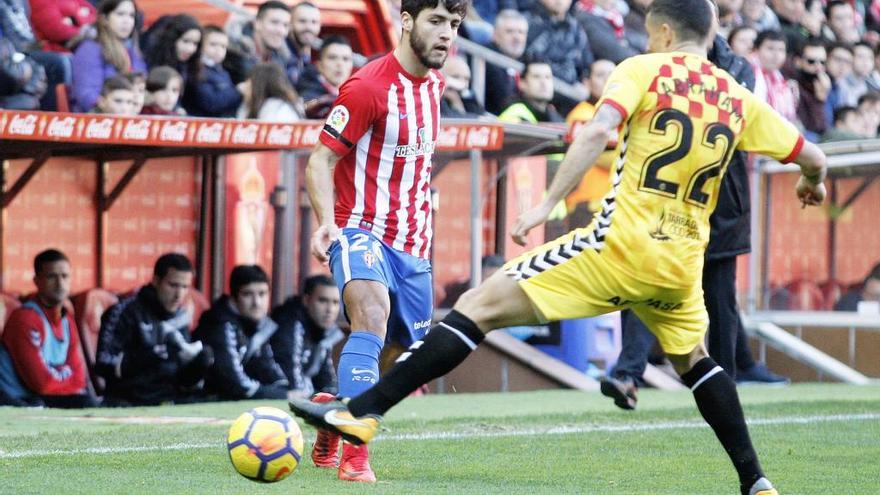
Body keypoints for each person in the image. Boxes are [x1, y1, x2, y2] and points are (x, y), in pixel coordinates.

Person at [290, 1, 828, 494]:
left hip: (617, 247)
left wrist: (547, 204)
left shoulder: (641, 69)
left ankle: (360, 412)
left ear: (662, 30)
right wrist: (812, 184)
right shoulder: (736, 95)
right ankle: (756, 480)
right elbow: (813, 158)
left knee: (476, 308)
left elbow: (596, 132)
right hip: (681, 262)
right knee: (697, 362)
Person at [303, 0, 467, 482]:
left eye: (454, 25)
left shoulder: (436, 85)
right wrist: (326, 222)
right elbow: (319, 160)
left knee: (402, 359)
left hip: (413, 241)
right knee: (370, 318)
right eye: (437, 21)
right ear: (407, 21)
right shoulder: (368, 86)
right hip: (359, 228)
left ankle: (334, 409)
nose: (446, 34)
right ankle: (356, 456)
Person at [95, 253, 212, 406]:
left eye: (185, 287)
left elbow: (182, 379)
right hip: (129, 401)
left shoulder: (181, 315)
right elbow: (103, 363)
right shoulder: (125, 311)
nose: (179, 294)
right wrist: (151, 355)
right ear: (156, 281)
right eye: (173, 285)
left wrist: (198, 365)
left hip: (171, 399)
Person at [0, 249, 98, 408]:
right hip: (20, 400)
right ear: (37, 280)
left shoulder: (67, 320)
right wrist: (69, 383)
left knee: (94, 402)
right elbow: (41, 384)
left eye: (65, 276)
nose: (60, 283)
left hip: (48, 397)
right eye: (52, 277)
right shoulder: (24, 318)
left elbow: (80, 378)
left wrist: (70, 385)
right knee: (87, 403)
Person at [192, 265, 288, 401]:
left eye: (262, 294)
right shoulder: (219, 322)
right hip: (199, 398)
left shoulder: (259, 323)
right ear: (233, 297)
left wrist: (284, 388)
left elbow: (267, 367)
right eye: (247, 294)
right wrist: (281, 394)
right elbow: (234, 382)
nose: (257, 303)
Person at [270, 275, 342, 401]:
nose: (330, 309)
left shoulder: (325, 330)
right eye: (323, 301)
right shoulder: (290, 324)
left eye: (335, 302)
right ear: (306, 300)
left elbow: (326, 379)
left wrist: (333, 395)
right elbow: (295, 385)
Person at [70, 0, 146, 113]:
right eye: (120, 14)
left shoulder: (133, 52)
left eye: (131, 16)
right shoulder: (89, 50)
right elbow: (86, 95)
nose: (127, 21)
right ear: (104, 18)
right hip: (98, 121)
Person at [182, 25, 244, 118]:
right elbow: (211, 102)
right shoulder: (195, 70)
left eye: (223, 46)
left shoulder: (223, 71)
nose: (219, 50)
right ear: (200, 45)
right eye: (213, 44)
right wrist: (238, 91)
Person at [297, 35, 354, 119]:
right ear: (319, 65)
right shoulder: (307, 97)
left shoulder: (357, 95)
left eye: (345, 59)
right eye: (332, 58)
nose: (340, 64)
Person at [484, 9, 528, 114]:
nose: (517, 37)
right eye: (509, 31)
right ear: (495, 35)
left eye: (521, 32)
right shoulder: (486, 58)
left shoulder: (529, 60)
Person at [143, 14, 202, 88]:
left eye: (195, 43)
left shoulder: (190, 67)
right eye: (185, 41)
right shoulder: (151, 59)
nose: (190, 49)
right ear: (173, 39)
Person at [751, 30, 797, 123]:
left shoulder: (781, 79)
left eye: (781, 50)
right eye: (770, 48)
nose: (776, 55)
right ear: (756, 50)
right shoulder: (747, 72)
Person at [497, 58, 564, 123]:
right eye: (536, 77)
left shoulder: (555, 118)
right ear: (522, 83)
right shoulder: (514, 115)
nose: (543, 82)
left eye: (548, 77)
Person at [237, 62, 303, 122]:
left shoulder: (276, 109)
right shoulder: (253, 106)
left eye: (249, 81)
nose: (245, 85)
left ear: (257, 85)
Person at [286, 0, 322, 86]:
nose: (308, 27)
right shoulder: (279, 54)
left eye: (314, 22)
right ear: (290, 23)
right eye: (302, 21)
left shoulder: (306, 56)